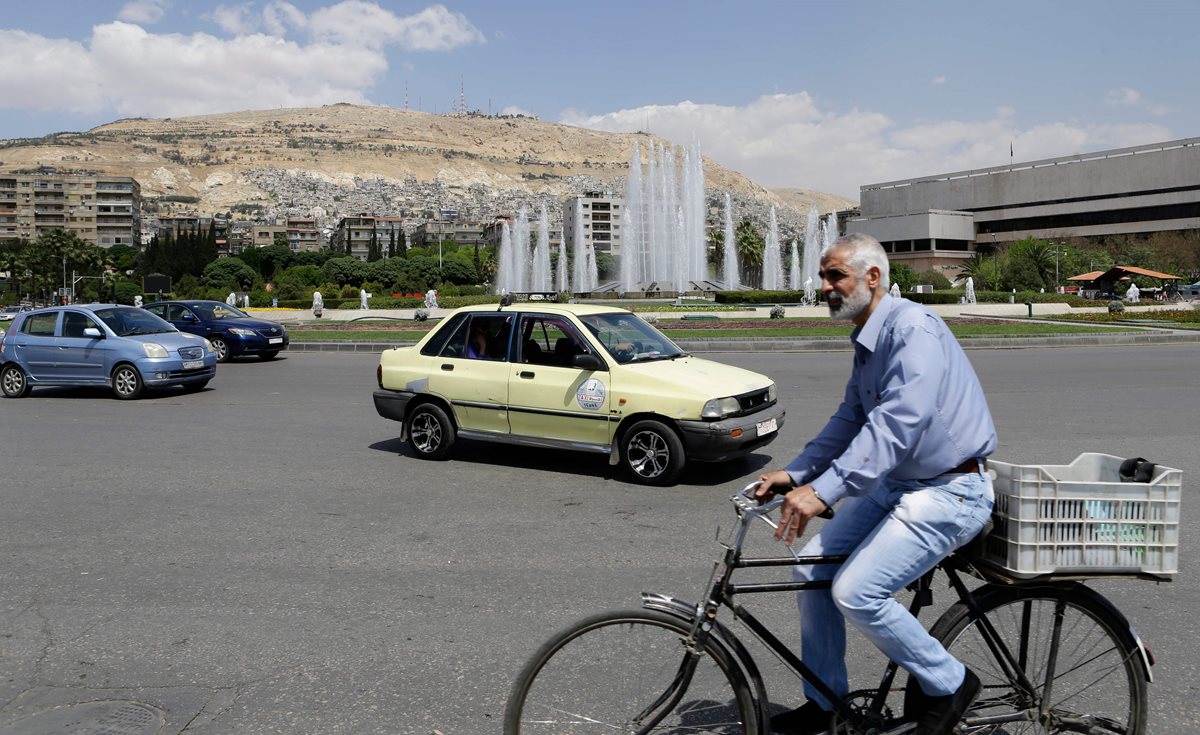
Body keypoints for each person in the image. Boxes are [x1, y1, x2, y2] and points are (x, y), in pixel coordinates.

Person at [754, 233, 996, 735]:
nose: (825, 287)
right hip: (900, 488)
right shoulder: (868, 338)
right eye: (823, 276)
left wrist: (824, 491)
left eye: (835, 275)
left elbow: (897, 424)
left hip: (951, 492)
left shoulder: (913, 330)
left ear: (872, 277)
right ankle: (826, 705)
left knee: (857, 591)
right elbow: (851, 419)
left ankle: (951, 682)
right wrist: (797, 473)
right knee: (810, 571)